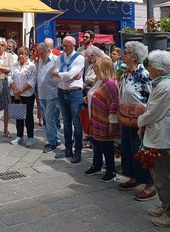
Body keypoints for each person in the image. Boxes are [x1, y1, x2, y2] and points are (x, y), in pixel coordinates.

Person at [137, 50, 170, 228]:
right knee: (159, 176)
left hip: (161, 137)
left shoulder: (166, 86)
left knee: (165, 178)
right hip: (157, 136)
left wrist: (140, 121)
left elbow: (154, 112)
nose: (148, 68)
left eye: (150, 66)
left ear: (158, 69)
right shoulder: (163, 84)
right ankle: (165, 206)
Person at [117, 41, 155, 200]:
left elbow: (151, 97)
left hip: (139, 118)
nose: (122, 54)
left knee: (139, 151)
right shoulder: (126, 72)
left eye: (125, 52)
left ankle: (149, 184)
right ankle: (133, 178)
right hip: (126, 117)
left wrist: (146, 120)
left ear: (134, 56)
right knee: (127, 149)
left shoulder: (143, 74)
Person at [85, 56, 120, 183]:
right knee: (96, 144)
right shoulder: (100, 81)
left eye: (97, 69)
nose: (95, 71)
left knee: (106, 146)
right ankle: (96, 165)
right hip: (95, 119)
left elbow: (113, 104)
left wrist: (112, 121)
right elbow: (94, 94)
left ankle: (111, 171)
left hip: (104, 120)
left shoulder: (110, 83)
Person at [52, 35, 85, 163]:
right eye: (63, 45)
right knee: (66, 123)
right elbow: (54, 76)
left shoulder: (79, 58)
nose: (64, 48)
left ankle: (77, 151)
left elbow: (69, 75)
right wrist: (64, 76)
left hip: (74, 93)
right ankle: (68, 149)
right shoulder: (60, 57)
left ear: (74, 45)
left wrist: (61, 75)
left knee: (77, 124)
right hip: (62, 91)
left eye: (67, 46)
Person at [8, 47, 37, 147]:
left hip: (27, 94)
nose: (21, 56)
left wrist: (20, 91)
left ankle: (30, 137)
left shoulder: (31, 66)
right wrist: (16, 91)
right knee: (18, 115)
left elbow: (32, 80)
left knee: (28, 116)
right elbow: (10, 78)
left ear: (27, 55)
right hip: (15, 94)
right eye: (19, 54)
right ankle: (19, 135)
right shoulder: (14, 65)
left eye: (23, 54)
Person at [36, 42, 60, 153]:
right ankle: (57, 139)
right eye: (39, 53)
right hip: (42, 93)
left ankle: (52, 143)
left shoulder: (56, 60)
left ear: (48, 51)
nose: (40, 55)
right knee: (49, 118)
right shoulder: (40, 60)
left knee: (49, 118)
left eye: (42, 53)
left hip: (52, 94)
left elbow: (60, 74)